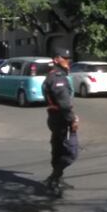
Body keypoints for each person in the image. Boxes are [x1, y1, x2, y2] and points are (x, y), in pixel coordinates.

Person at [42, 47, 79, 197]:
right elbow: (64, 103)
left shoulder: (54, 75)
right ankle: (54, 178)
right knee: (71, 152)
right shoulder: (57, 77)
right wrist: (73, 120)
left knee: (58, 148)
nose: (68, 61)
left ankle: (57, 179)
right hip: (61, 118)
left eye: (69, 58)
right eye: (64, 58)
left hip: (54, 117)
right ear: (56, 59)